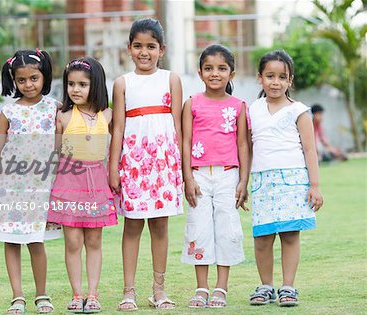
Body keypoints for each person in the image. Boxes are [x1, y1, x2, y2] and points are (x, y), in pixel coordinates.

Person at [109, 18, 183, 311]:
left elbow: (177, 124)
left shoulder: (171, 79)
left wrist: (182, 167)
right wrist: (113, 166)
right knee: (132, 226)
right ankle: (129, 292)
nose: (144, 52)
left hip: (163, 163)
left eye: (151, 46)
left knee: (160, 226)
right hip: (134, 164)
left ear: (161, 49)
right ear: (129, 48)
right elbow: (117, 128)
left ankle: (159, 290)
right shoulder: (122, 83)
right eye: (138, 46)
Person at [248, 50, 323, 307]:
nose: (275, 82)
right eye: (270, 76)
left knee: (290, 235)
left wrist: (315, 185)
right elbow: (246, 148)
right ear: (260, 78)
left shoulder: (299, 111)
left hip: (293, 180)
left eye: (282, 77)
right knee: (262, 238)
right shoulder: (252, 110)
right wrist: (242, 184)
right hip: (262, 182)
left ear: (290, 80)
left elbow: (310, 149)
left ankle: (288, 287)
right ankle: (266, 286)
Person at [0, 49, 60, 314]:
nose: (28, 84)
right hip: (9, 187)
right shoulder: (8, 112)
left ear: (44, 77)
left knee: (35, 240)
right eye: (22, 80)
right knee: (11, 240)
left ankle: (42, 294)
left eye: (34, 78)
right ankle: (17, 296)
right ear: (13, 81)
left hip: (39, 188)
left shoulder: (54, 108)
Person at [181, 44, 250, 308]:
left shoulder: (239, 106)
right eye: (209, 68)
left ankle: (221, 287)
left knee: (226, 229)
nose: (215, 73)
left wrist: (243, 180)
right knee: (199, 228)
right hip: (198, 176)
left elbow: (243, 144)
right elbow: (186, 141)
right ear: (200, 73)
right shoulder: (192, 103)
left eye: (222, 69)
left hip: (228, 176)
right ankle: (201, 287)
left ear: (231, 73)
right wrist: (188, 178)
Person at [47, 57, 117, 313]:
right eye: (71, 84)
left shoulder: (107, 115)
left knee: (94, 241)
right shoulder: (63, 117)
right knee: (73, 242)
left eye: (83, 84)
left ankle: (93, 294)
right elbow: (55, 155)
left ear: (95, 85)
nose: (75, 90)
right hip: (68, 184)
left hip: (97, 184)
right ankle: (77, 294)